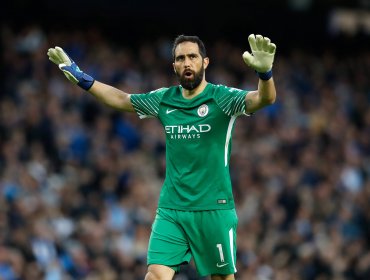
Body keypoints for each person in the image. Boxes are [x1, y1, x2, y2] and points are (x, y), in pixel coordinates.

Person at [47, 33, 277, 280]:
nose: (187, 63)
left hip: (213, 209)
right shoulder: (164, 100)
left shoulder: (222, 98)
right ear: (174, 66)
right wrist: (83, 79)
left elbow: (264, 98)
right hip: (172, 209)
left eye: (192, 57)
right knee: (155, 275)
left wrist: (265, 75)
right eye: (181, 58)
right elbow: (122, 99)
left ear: (205, 62)